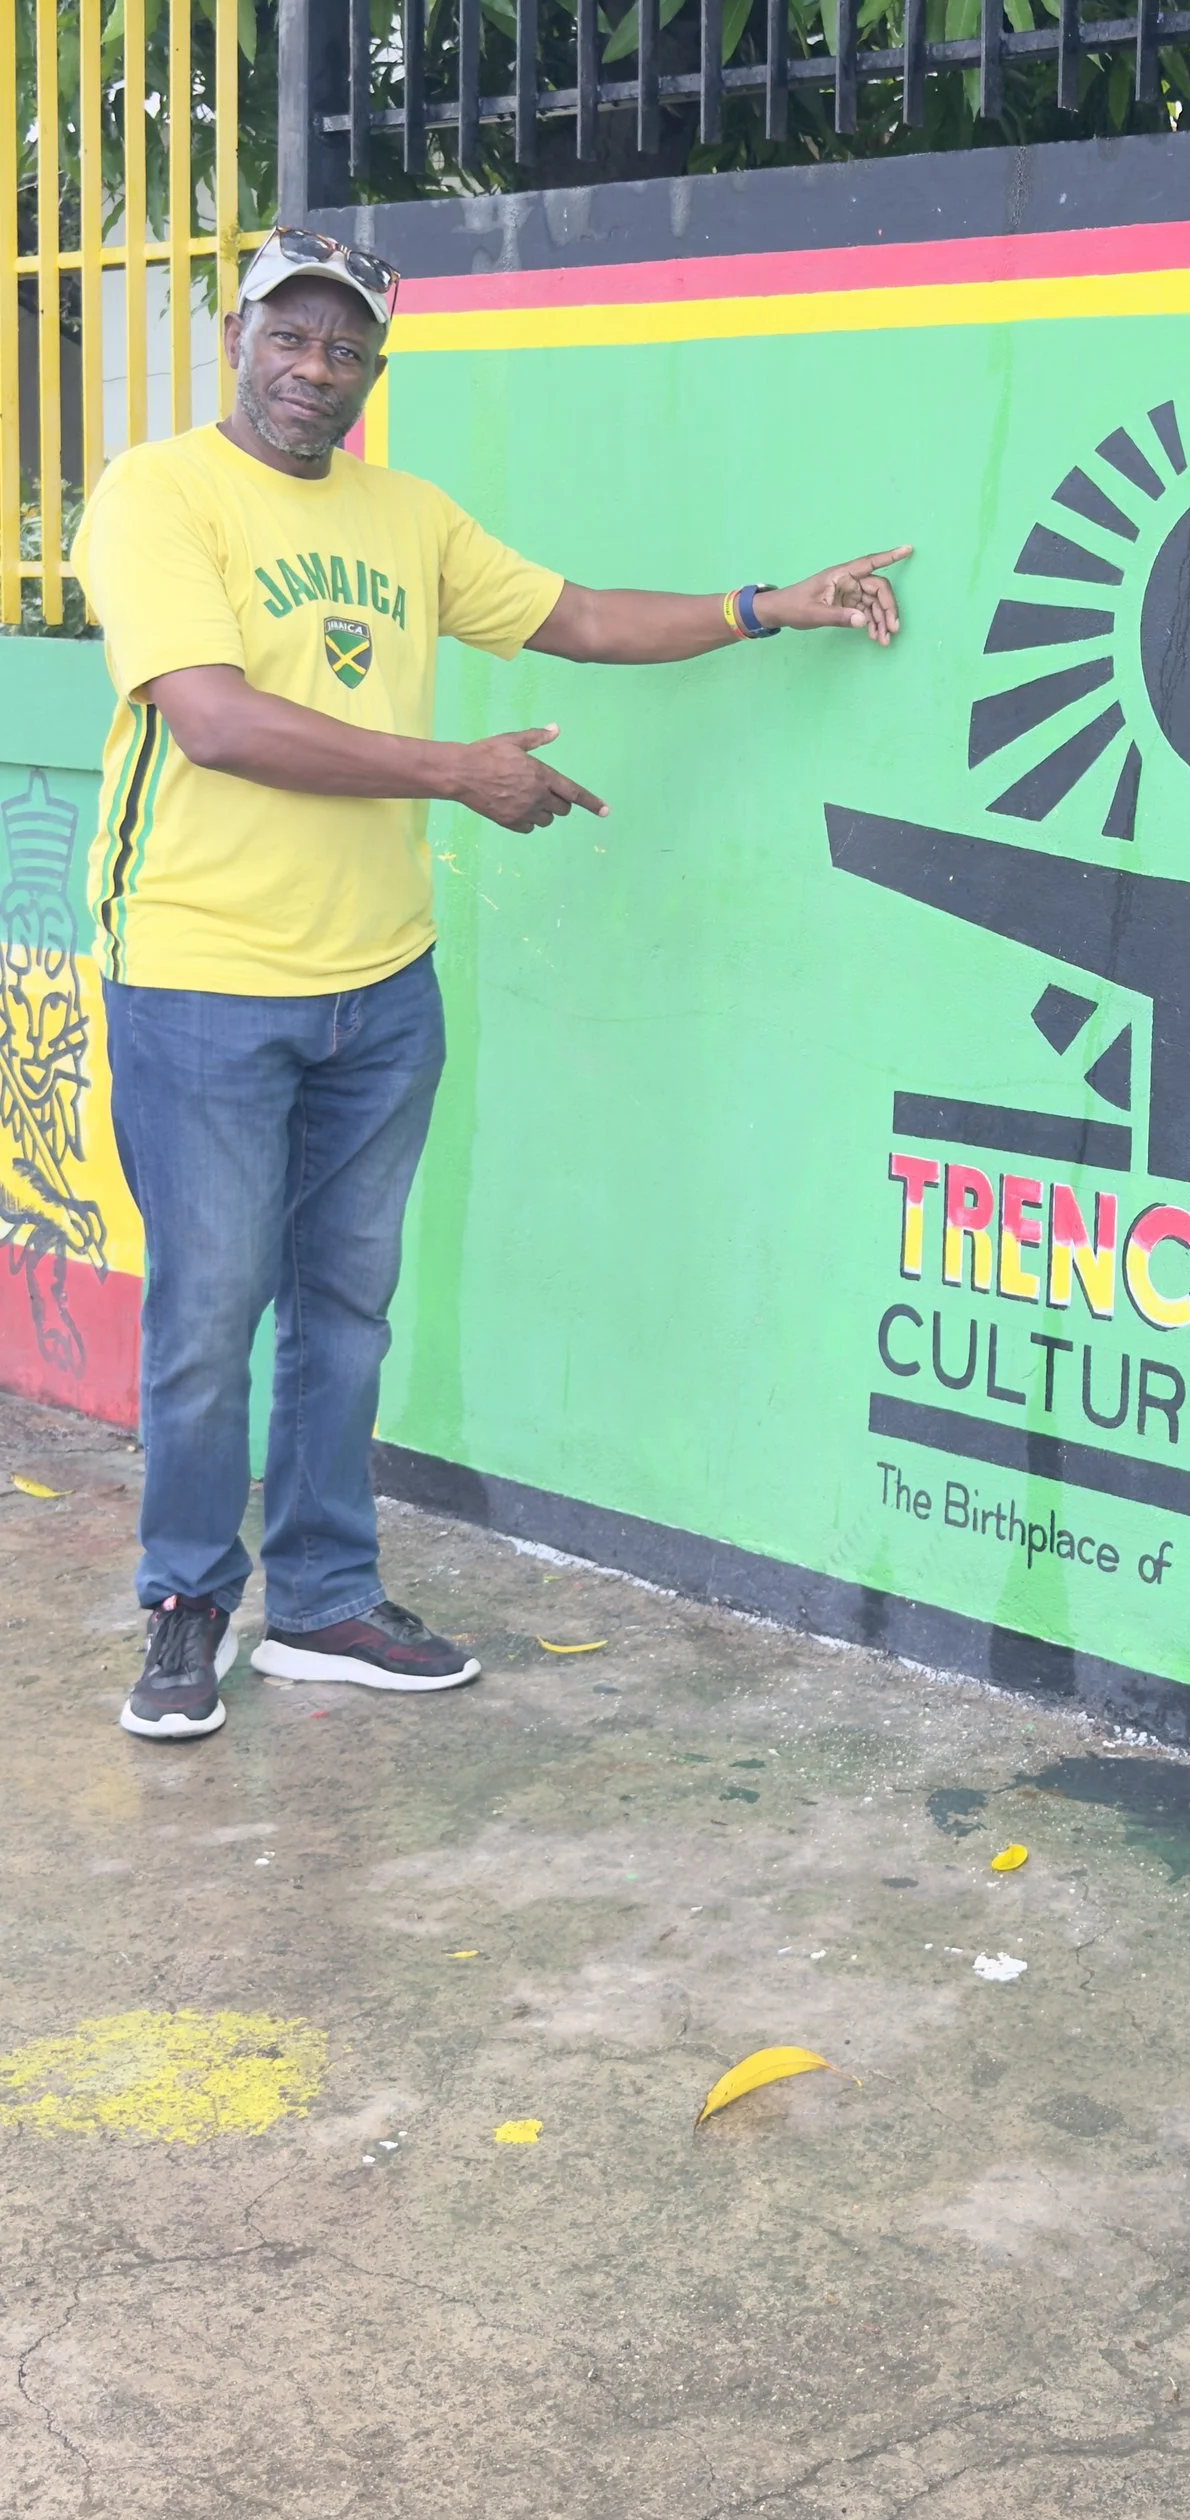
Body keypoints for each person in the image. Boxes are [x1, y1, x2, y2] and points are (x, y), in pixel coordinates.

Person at [71, 225, 907, 1742]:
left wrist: (764, 607)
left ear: (373, 372)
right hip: (199, 978)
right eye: (290, 338)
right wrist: (455, 773)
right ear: (240, 338)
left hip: (380, 986)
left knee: (346, 1307)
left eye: (344, 350)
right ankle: (188, 1602)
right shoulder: (156, 495)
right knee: (209, 1314)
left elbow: (576, 618)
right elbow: (214, 721)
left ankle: (322, 1598)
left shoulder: (409, 517)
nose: (313, 372)